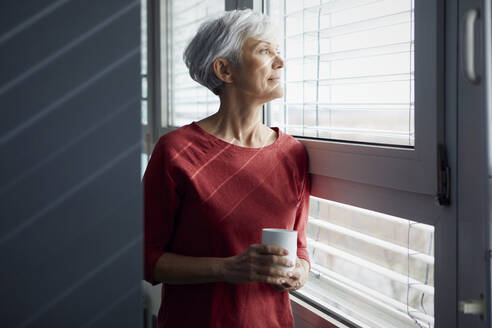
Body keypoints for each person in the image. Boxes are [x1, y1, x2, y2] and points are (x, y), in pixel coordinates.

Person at [143, 9, 311, 328]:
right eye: (264, 50)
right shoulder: (176, 151)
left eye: (279, 52)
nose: (280, 62)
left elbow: (300, 252)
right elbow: (146, 258)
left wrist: (297, 273)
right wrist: (226, 269)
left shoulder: (293, 154)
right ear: (224, 69)